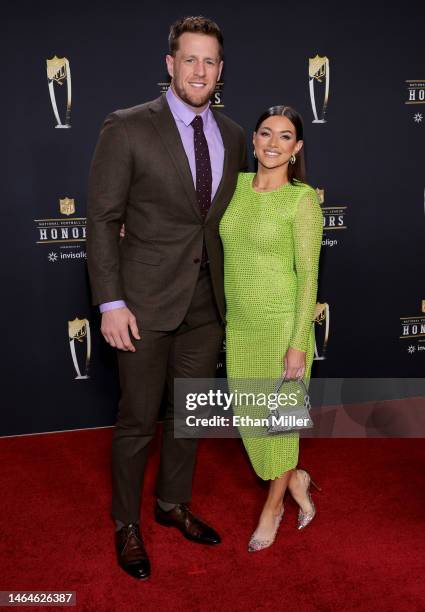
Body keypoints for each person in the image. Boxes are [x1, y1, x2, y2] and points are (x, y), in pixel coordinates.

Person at [86, 15, 247, 580]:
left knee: (188, 417)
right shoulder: (127, 127)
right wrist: (111, 303)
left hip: (206, 308)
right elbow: (103, 220)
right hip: (143, 306)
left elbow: (228, 223)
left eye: (210, 61)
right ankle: (126, 521)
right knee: (136, 421)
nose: (199, 70)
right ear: (170, 64)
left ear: (220, 71)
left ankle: (172, 503)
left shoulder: (233, 135)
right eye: (190, 59)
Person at [219, 105, 323, 551]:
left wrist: (298, 344)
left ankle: (273, 507)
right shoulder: (236, 187)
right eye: (266, 133)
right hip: (241, 326)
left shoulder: (302, 201)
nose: (273, 144)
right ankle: (296, 477)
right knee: (251, 420)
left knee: (280, 427)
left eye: (285, 137)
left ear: (297, 148)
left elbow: (309, 279)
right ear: (254, 140)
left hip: (284, 327)